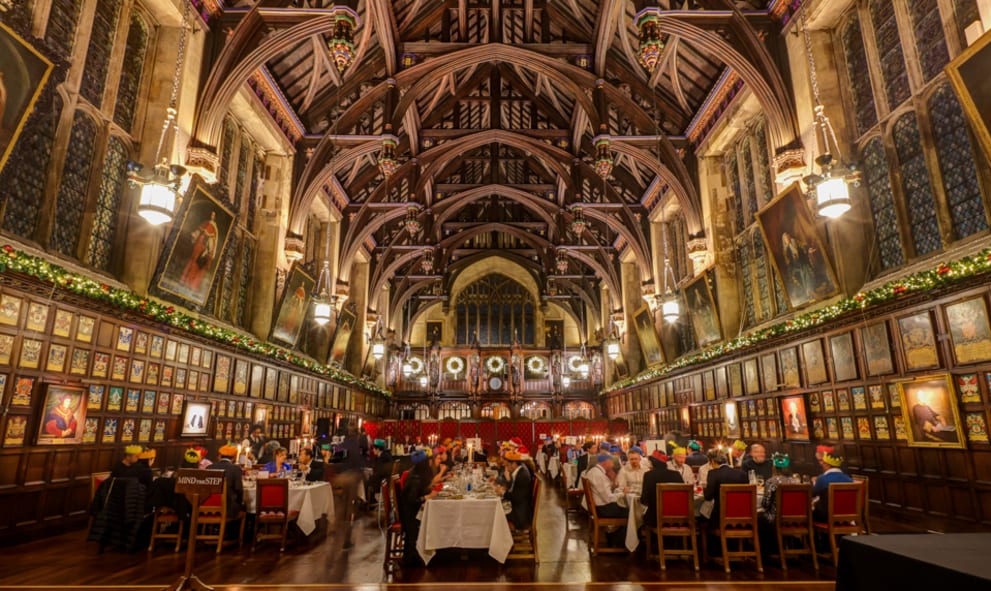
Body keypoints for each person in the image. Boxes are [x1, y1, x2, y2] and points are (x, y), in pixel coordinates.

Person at [398, 450, 438, 567]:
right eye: (428, 460)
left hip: (411, 511)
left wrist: (429, 487)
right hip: (410, 516)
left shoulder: (418, 472)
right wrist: (427, 497)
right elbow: (411, 500)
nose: (430, 462)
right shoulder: (416, 477)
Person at [583, 452, 627, 546]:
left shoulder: (594, 471)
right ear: (606, 462)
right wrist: (623, 493)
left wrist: (612, 484)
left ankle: (615, 538)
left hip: (599, 506)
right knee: (631, 512)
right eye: (611, 461)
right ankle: (617, 541)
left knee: (627, 509)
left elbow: (604, 490)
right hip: (603, 509)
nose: (613, 464)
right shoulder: (598, 475)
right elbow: (608, 498)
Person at [640, 450, 685, 527]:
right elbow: (684, 497)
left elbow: (644, 500)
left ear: (652, 463)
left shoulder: (648, 475)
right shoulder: (676, 474)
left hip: (655, 519)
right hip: (678, 519)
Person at [702, 450, 748, 523]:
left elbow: (708, 497)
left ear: (713, 461)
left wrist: (704, 488)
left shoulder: (713, 474)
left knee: (703, 513)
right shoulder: (742, 474)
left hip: (720, 516)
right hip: (742, 513)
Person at [179, 210, 219, 293]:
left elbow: (212, 238)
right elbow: (199, 230)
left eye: (213, 215)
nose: (212, 216)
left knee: (197, 266)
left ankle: (192, 285)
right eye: (211, 214)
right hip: (199, 245)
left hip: (204, 248)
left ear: (215, 217)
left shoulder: (214, 227)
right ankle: (185, 281)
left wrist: (207, 236)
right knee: (192, 261)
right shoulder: (205, 222)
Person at [206, 444, 245, 521]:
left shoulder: (209, 467)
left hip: (208, 507)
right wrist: (241, 502)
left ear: (220, 456)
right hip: (228, 509)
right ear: (234, 458)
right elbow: (239, 489)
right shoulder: (235, 469)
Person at [812, 451, 853, 522]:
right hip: (846, 516)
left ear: (827, 464)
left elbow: (812, 494)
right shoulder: (849, 480)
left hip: (826, 517)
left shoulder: (822, 479)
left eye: (823, 462)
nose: (822, 464)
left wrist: (814, 483)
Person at [498, 451, 533, 530]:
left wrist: (503, 493)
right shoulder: (520, 470)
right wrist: (504, 489)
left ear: (514, 464)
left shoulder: (522, 475)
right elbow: (514, 489)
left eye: (507, 465)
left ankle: (502, 541)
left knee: (495, 515)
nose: (506, 467)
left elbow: (516, 498)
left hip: (520, 516)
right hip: (519, 509)